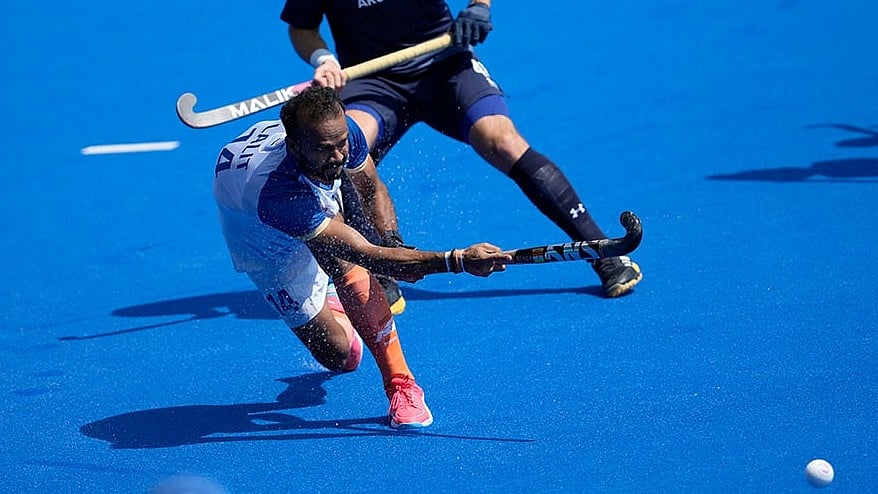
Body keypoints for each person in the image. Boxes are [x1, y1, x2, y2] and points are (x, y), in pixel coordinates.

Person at [280, 0, 643, 314]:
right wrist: (323, 58)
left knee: (502, 140)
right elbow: (302, 27)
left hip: (445, 65)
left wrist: (478, 7)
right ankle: (377, 264)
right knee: (342, 152)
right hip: (372, 80)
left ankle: (604, 251)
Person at [213, 86, 510, 429]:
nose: (338, 155)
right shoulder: (279, 194)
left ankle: (402, 386)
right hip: (265, 244)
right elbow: (366, 255)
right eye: (325, 148)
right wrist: (456, 260)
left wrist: (394, 244)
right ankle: (331, 293)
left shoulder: (338, 133)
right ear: (295, 146)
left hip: (302, 188)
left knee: (342, 262)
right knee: (341, 356)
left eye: (341, 144)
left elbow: (372, 189)